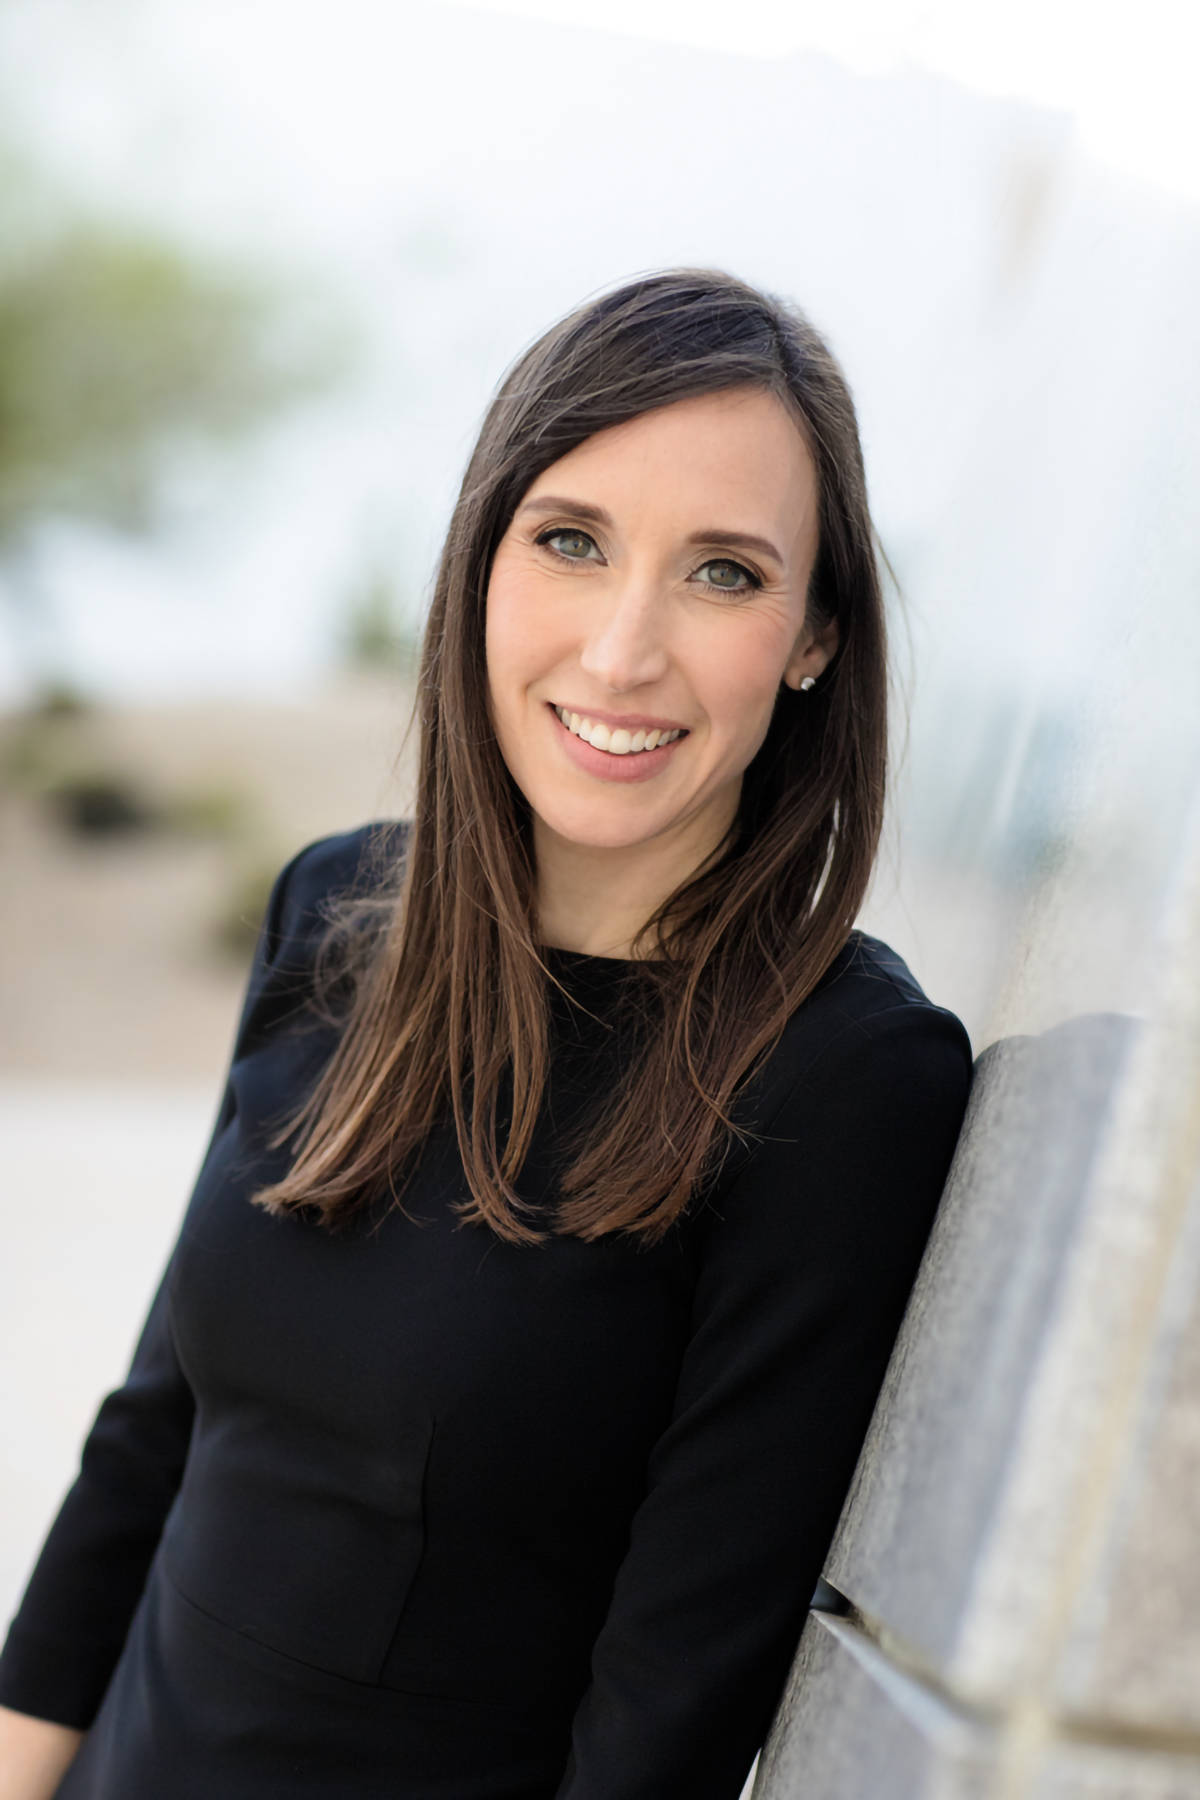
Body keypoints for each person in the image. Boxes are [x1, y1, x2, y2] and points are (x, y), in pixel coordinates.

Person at [0, 267, 974, 1800]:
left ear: (815, 638)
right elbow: (152, 1441)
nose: (621, 653)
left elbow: (670, 1707)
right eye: (571, 543)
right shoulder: (337, 915)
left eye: (723, 573)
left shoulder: (845, 1083)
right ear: (478, 561)